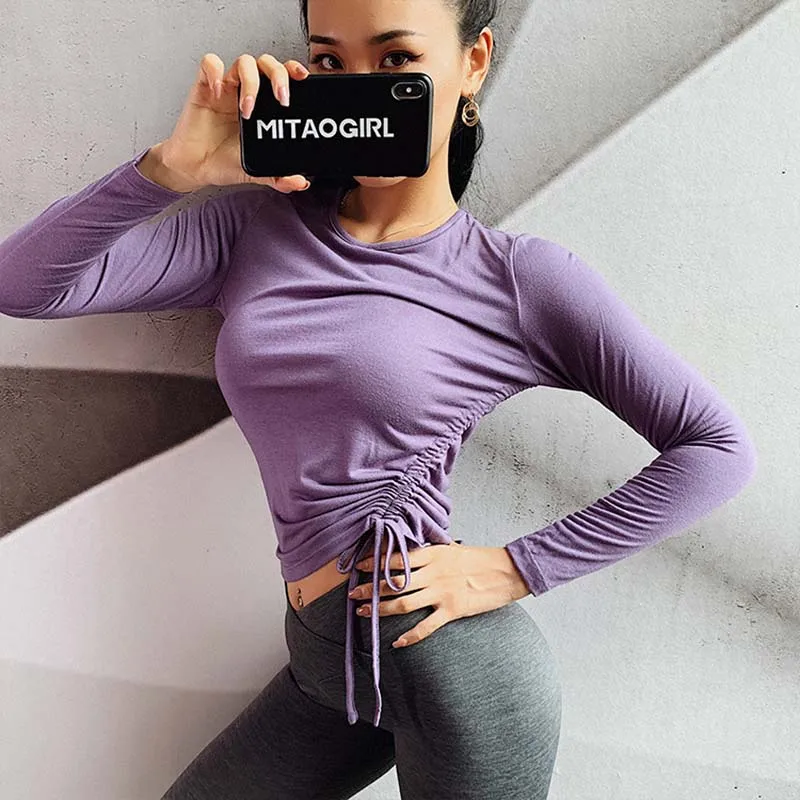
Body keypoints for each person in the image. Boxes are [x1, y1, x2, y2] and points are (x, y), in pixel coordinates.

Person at [0, 0, 758, 797]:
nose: (361, 87)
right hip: (328, 664)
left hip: (455, 672)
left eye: (396, 61)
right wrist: (170, 170)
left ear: (473, 63)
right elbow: (23, 286)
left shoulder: (517, 279)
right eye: (331, 62)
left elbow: (716, 448)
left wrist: (516, 567)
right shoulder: (254, 230)